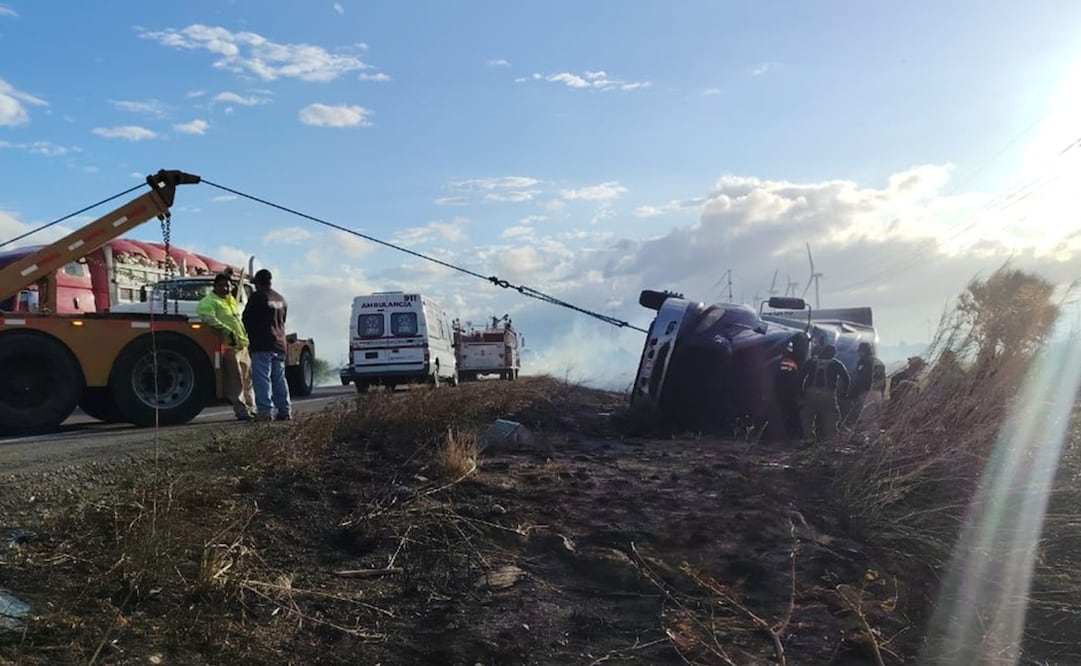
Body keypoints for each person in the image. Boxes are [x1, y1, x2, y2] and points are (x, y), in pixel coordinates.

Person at [196, 272, 255, 421]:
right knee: (236, 380)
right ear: (215, 287)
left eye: (228, 286)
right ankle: (241, 410)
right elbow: (208, 317)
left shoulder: (231, 301)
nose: (226, 289)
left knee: (247, 379)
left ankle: (251, 407)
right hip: (228, 346)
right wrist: (226, 330)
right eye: (222, 285)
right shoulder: (209, 301)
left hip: (242, 344)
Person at [243, 269, 292, 422]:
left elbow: (247, 318)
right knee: (279, 378)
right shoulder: (280, 298)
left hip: (262, 344)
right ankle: (285, 410)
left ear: (257, 282)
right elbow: (282, 320)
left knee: (262, 378)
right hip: (279, 343)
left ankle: (265, 411)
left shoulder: (258, 296)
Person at [800, 343, 850, 444]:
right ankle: (830, 440)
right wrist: (844, 392)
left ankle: (808, 438)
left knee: (808, 417)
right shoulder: (836, 363)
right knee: (830, 417)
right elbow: (846, 379)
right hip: (828, 393)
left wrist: (801, 393)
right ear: (833, 353)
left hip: (810, 393)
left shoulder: (811, 362)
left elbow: (800, 377)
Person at [774, 344, 803, 443]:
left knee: (780, 413)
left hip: (778, 393)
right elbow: (796, 380)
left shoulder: (776, 363)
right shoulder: (793, 364)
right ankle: (792, 436)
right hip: (789, 394)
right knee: (793, 414)